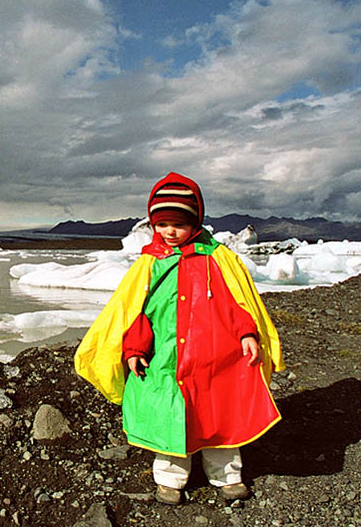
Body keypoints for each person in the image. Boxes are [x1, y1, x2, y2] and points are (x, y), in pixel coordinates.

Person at [74, 172, 284, 505]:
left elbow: (237, 302)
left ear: (196, 221)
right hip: (167, 358)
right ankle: (171, 479)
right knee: (171, 417)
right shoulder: (150, 264)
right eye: (162, 224)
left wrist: (247, 333)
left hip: (217, 357)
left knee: (220, 415)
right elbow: (138, 311)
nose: (170, 232)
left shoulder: (217, 259)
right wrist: (133, 349)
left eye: (179, 224)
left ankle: (226, 476)